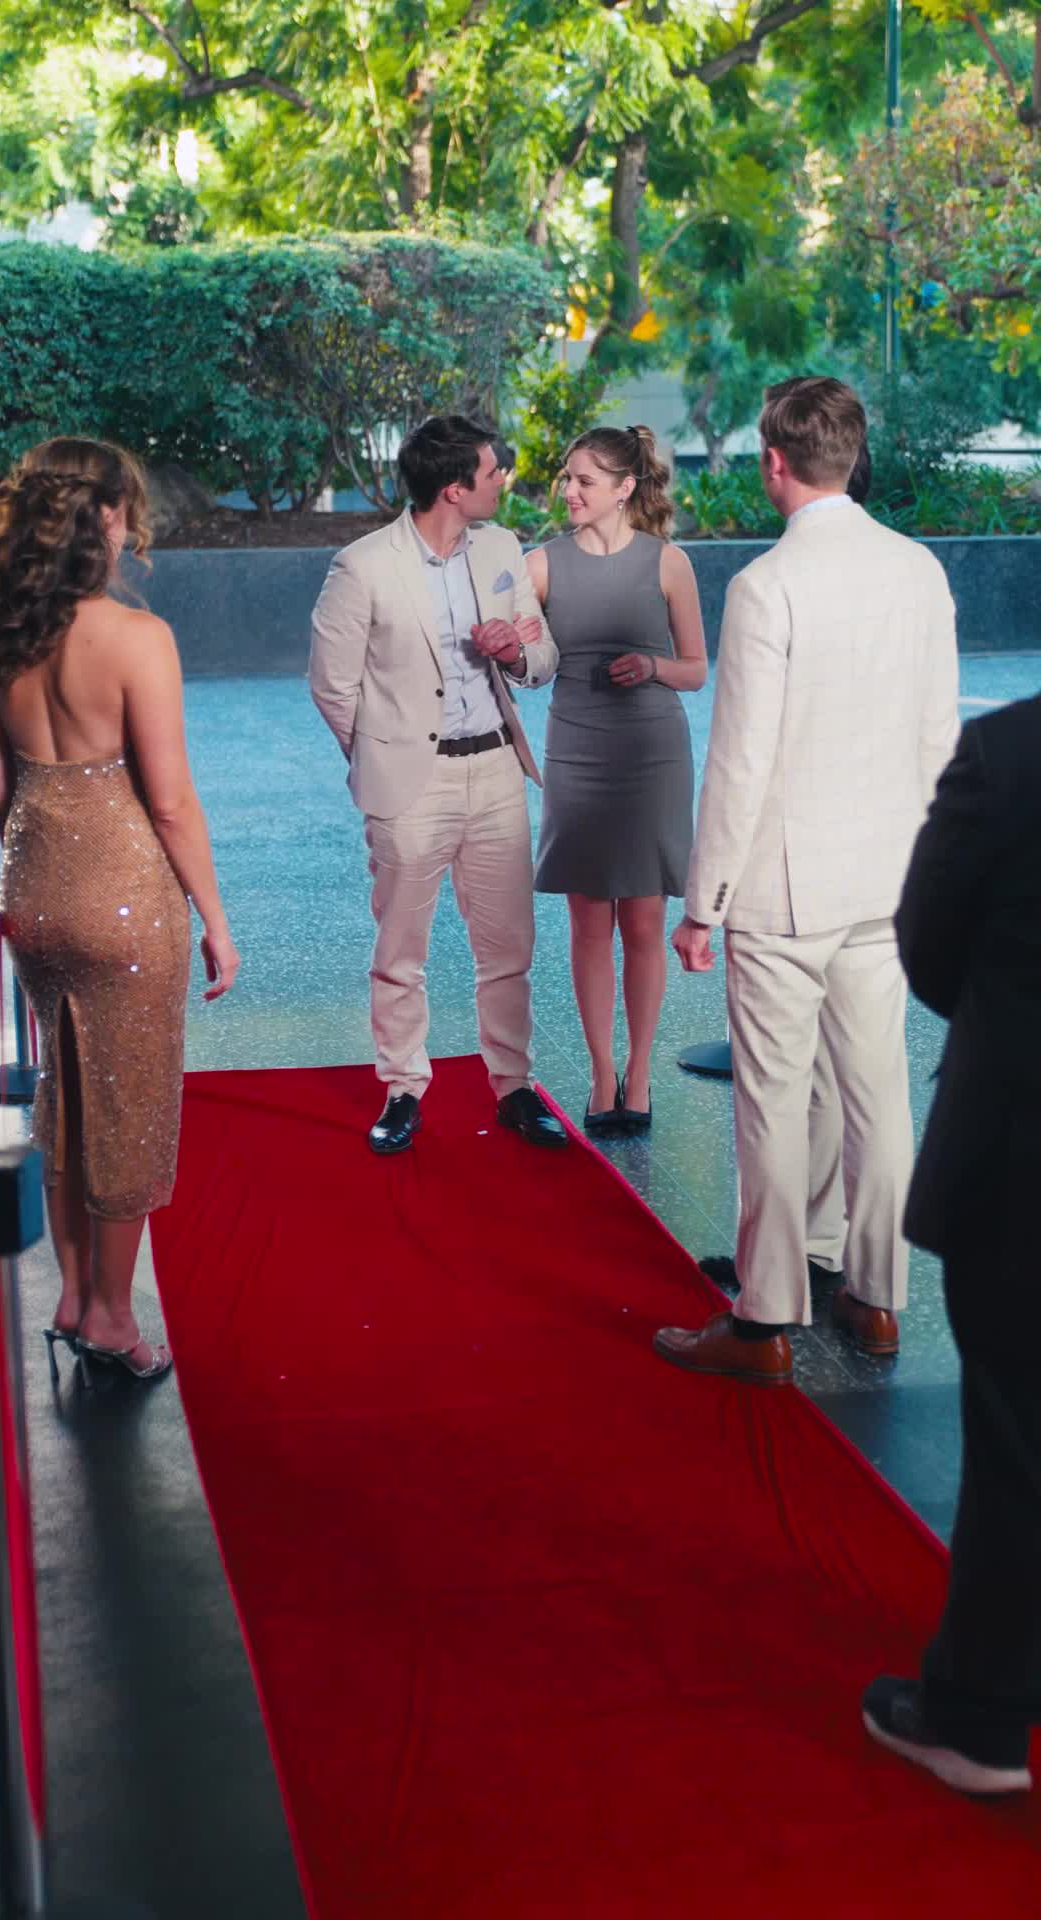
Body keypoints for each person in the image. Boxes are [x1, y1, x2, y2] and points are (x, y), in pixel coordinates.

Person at [656, 375, 959, 1385]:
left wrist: (703, 905)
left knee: (774, 1105)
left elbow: (741, 762)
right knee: (878, 1097)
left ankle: (765, 1321)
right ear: (853, 455)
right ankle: (877, 1301)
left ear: (775, 464)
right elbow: (939, 741)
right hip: (890, 883)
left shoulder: (766, 586)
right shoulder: (919, 570)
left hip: (784, 894)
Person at [0, 439, 239, 1386]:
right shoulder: (136, 638)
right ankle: (114, 1320)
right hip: (125, 902)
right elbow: (171, 803)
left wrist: (40, 878)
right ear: (109, 519)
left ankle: (74, 1298)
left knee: (65, 1097)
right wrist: (214, 918)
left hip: (34, 894)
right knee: (128, 1111)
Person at [862, 692, 1041, 1795]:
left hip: (1022, 1158)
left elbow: (929, 949)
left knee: (1020, 1437)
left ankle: (977, 1719)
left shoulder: (1011, 755)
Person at [308, 413, 567, 1154]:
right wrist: (382, 756)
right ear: (454, 488)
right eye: (490, 472)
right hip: (409, 784)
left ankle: (514, 1088)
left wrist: (514, 653)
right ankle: (402, 1090)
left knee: (509, 946)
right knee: (401, 949)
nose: (501, 481)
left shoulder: (502, 548)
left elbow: (543, 657)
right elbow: (332, 686)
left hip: (496, 770)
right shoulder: (363, 566)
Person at [527, 425, 707, 1132]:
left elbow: (696, 670)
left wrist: (653, 666)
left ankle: (639, 1070)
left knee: (644, 919)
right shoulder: (540, 564)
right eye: (567, 479)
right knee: (588, 921)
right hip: (575, 751)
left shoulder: (670, 563)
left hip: (652, 756)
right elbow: (524, 661)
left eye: (584, 481)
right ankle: (602, 1071)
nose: (569, 492)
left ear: (625, 488)